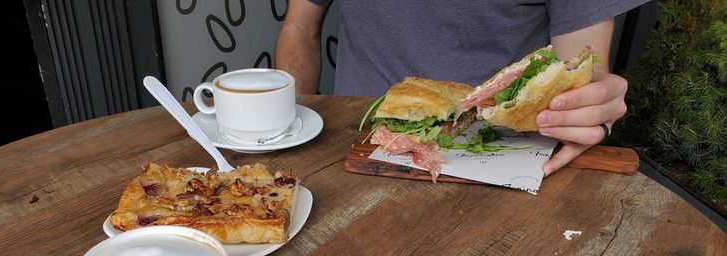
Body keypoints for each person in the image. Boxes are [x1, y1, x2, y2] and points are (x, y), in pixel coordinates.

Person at [275, 0, 648, 176]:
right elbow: (299, 29)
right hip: (353, 154)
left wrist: (590, 109)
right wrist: (285, 136)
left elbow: (581, 68)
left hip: (500, 163)